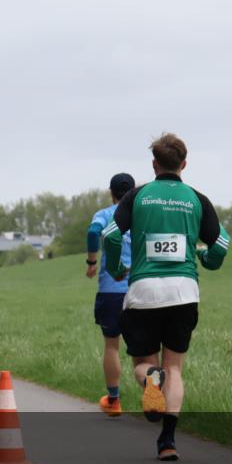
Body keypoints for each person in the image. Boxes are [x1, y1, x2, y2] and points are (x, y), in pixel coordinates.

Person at [103, 134, 230, 461]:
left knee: (144, 365)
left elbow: (111, 234)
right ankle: (168, 441)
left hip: (144, 291)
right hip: (183, 291)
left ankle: (150, 380)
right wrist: (205, 260)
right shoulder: (196, 199)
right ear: (184, 164)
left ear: (154, 164)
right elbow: (221, 244)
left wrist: (117, 267)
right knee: (174, 369)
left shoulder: (139, 195)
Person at [86, 173, 135, 417]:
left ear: (111, 193)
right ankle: (154, 394)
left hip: (111, 290)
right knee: (143, 349)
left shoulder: (104, 214)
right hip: (140, 289)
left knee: (112, 346)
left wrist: (91, 262)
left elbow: (93, 233)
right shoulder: (141, 216)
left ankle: (114, 401)